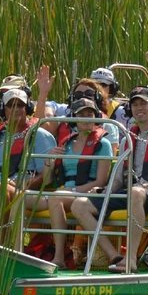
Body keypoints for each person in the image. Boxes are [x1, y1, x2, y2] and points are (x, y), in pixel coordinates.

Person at [70, 86, 148, 274]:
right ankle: (114, 255)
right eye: (135, 104)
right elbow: (117, 179)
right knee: (79, 205)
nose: (139, 108)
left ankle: (131, 258)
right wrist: (103, 191)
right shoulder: (128, 139)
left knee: (136, 192)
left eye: (143, 103)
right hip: (130, 191)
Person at [36, 97, 113, 270]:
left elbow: (101, 180)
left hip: (86, 191)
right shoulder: (67, 144)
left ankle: (59, 257)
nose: (86, 118)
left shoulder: (103, 144)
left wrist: (73, 190)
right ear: (74, 118)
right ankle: (13, 252)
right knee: (21, 199)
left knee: (56, 198)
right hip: (64, 192)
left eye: (90, 114)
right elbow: (48, 179)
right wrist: (50, 159)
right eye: (81, 115)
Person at [0, 88, 56, 215]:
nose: (16, 109)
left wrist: (22, 185)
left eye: (20, 105)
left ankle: (1, 235)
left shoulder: (39, 135)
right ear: (3, 109)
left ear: (27, 108)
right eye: (11, 105)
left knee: (1, 189)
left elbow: (46, 176)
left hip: (23, 191)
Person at [34, 66, 122, 150]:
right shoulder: (64, 121)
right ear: (72, 99)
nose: (83, 98)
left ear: (97, 98)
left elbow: (110, 158)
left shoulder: (108, 125)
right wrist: (43, 93)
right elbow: (41, 128)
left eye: (88, 94)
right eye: (78, 95)